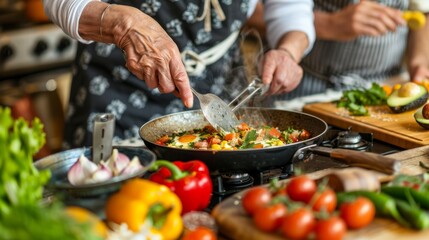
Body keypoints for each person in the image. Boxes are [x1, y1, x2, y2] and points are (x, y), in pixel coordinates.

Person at [43, 0, 315, 148]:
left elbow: (290, 7)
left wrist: (289, 51)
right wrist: (123, 26)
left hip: (220, 81)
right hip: (119, 84)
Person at [276, 0, 429, 101]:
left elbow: (423, 10)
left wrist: (419, 62)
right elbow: (255, 11)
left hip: (384, 88)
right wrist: (329, 23)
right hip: (305, 88)